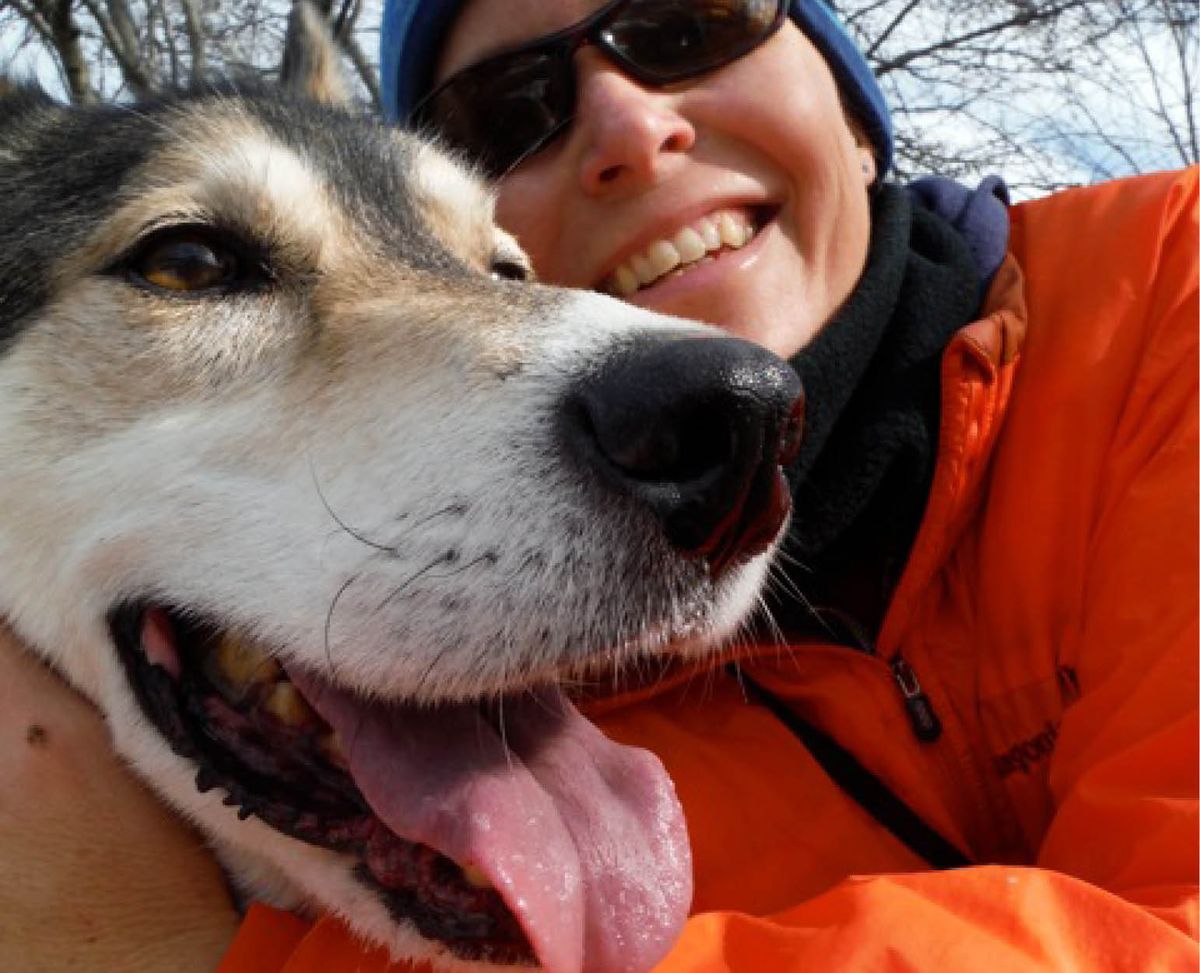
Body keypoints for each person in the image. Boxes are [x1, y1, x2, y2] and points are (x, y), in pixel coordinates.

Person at [3, 1, 1194, 971]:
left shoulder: (1165, 294)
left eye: (694, 25)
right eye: (194, 261)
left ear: (857, 112)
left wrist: (164, 948)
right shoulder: (515, 695)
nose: (629, 123)